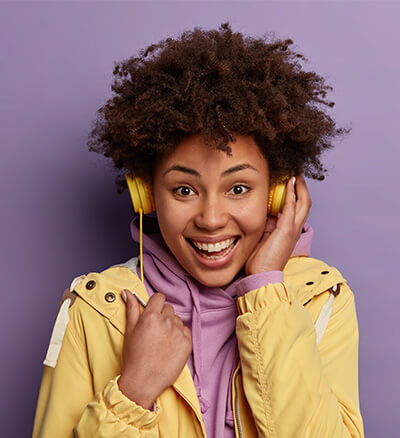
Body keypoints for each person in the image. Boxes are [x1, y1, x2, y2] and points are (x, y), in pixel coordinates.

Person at [33, 22, 364, 437]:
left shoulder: (320, 300)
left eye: (238, 188)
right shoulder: (97, 310)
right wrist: (133, 393)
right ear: (146, 194)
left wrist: (266, 292)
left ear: (277, 193)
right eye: (185, 189)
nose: (210, 218)